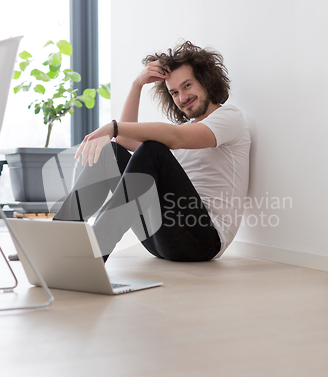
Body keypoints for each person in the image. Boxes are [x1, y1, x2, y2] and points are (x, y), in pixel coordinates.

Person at [54, 41, 251, 262]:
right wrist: (137, 85)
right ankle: (55, 240)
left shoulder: (229, 117)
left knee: (154, 148)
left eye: (187, 86)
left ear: (206, 80)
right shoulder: (185, 130)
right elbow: (125, 140)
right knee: (111, 153)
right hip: (163, 238)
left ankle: (94, 251)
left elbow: (175, 139)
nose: (182, 98)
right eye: (174, 92)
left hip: (203, 240)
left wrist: (112, 127)